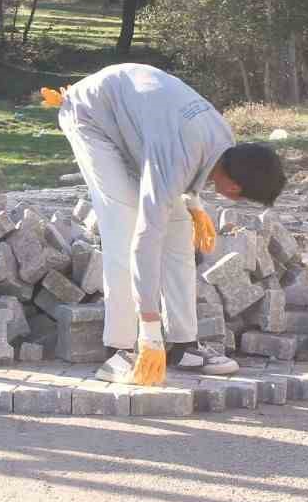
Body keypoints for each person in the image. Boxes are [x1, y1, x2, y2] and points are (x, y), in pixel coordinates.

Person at [45, 64, 287, 386]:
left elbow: (195, 165)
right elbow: (145, 239)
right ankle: (120, 351)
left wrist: (194, 205)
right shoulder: (176, 158)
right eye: (242, 199)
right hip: (92, 116)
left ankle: (184, 346)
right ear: (234, 188)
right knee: (125, 226)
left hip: (137, 120)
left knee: (179, 231)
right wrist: (149, 329)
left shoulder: (225, 141)